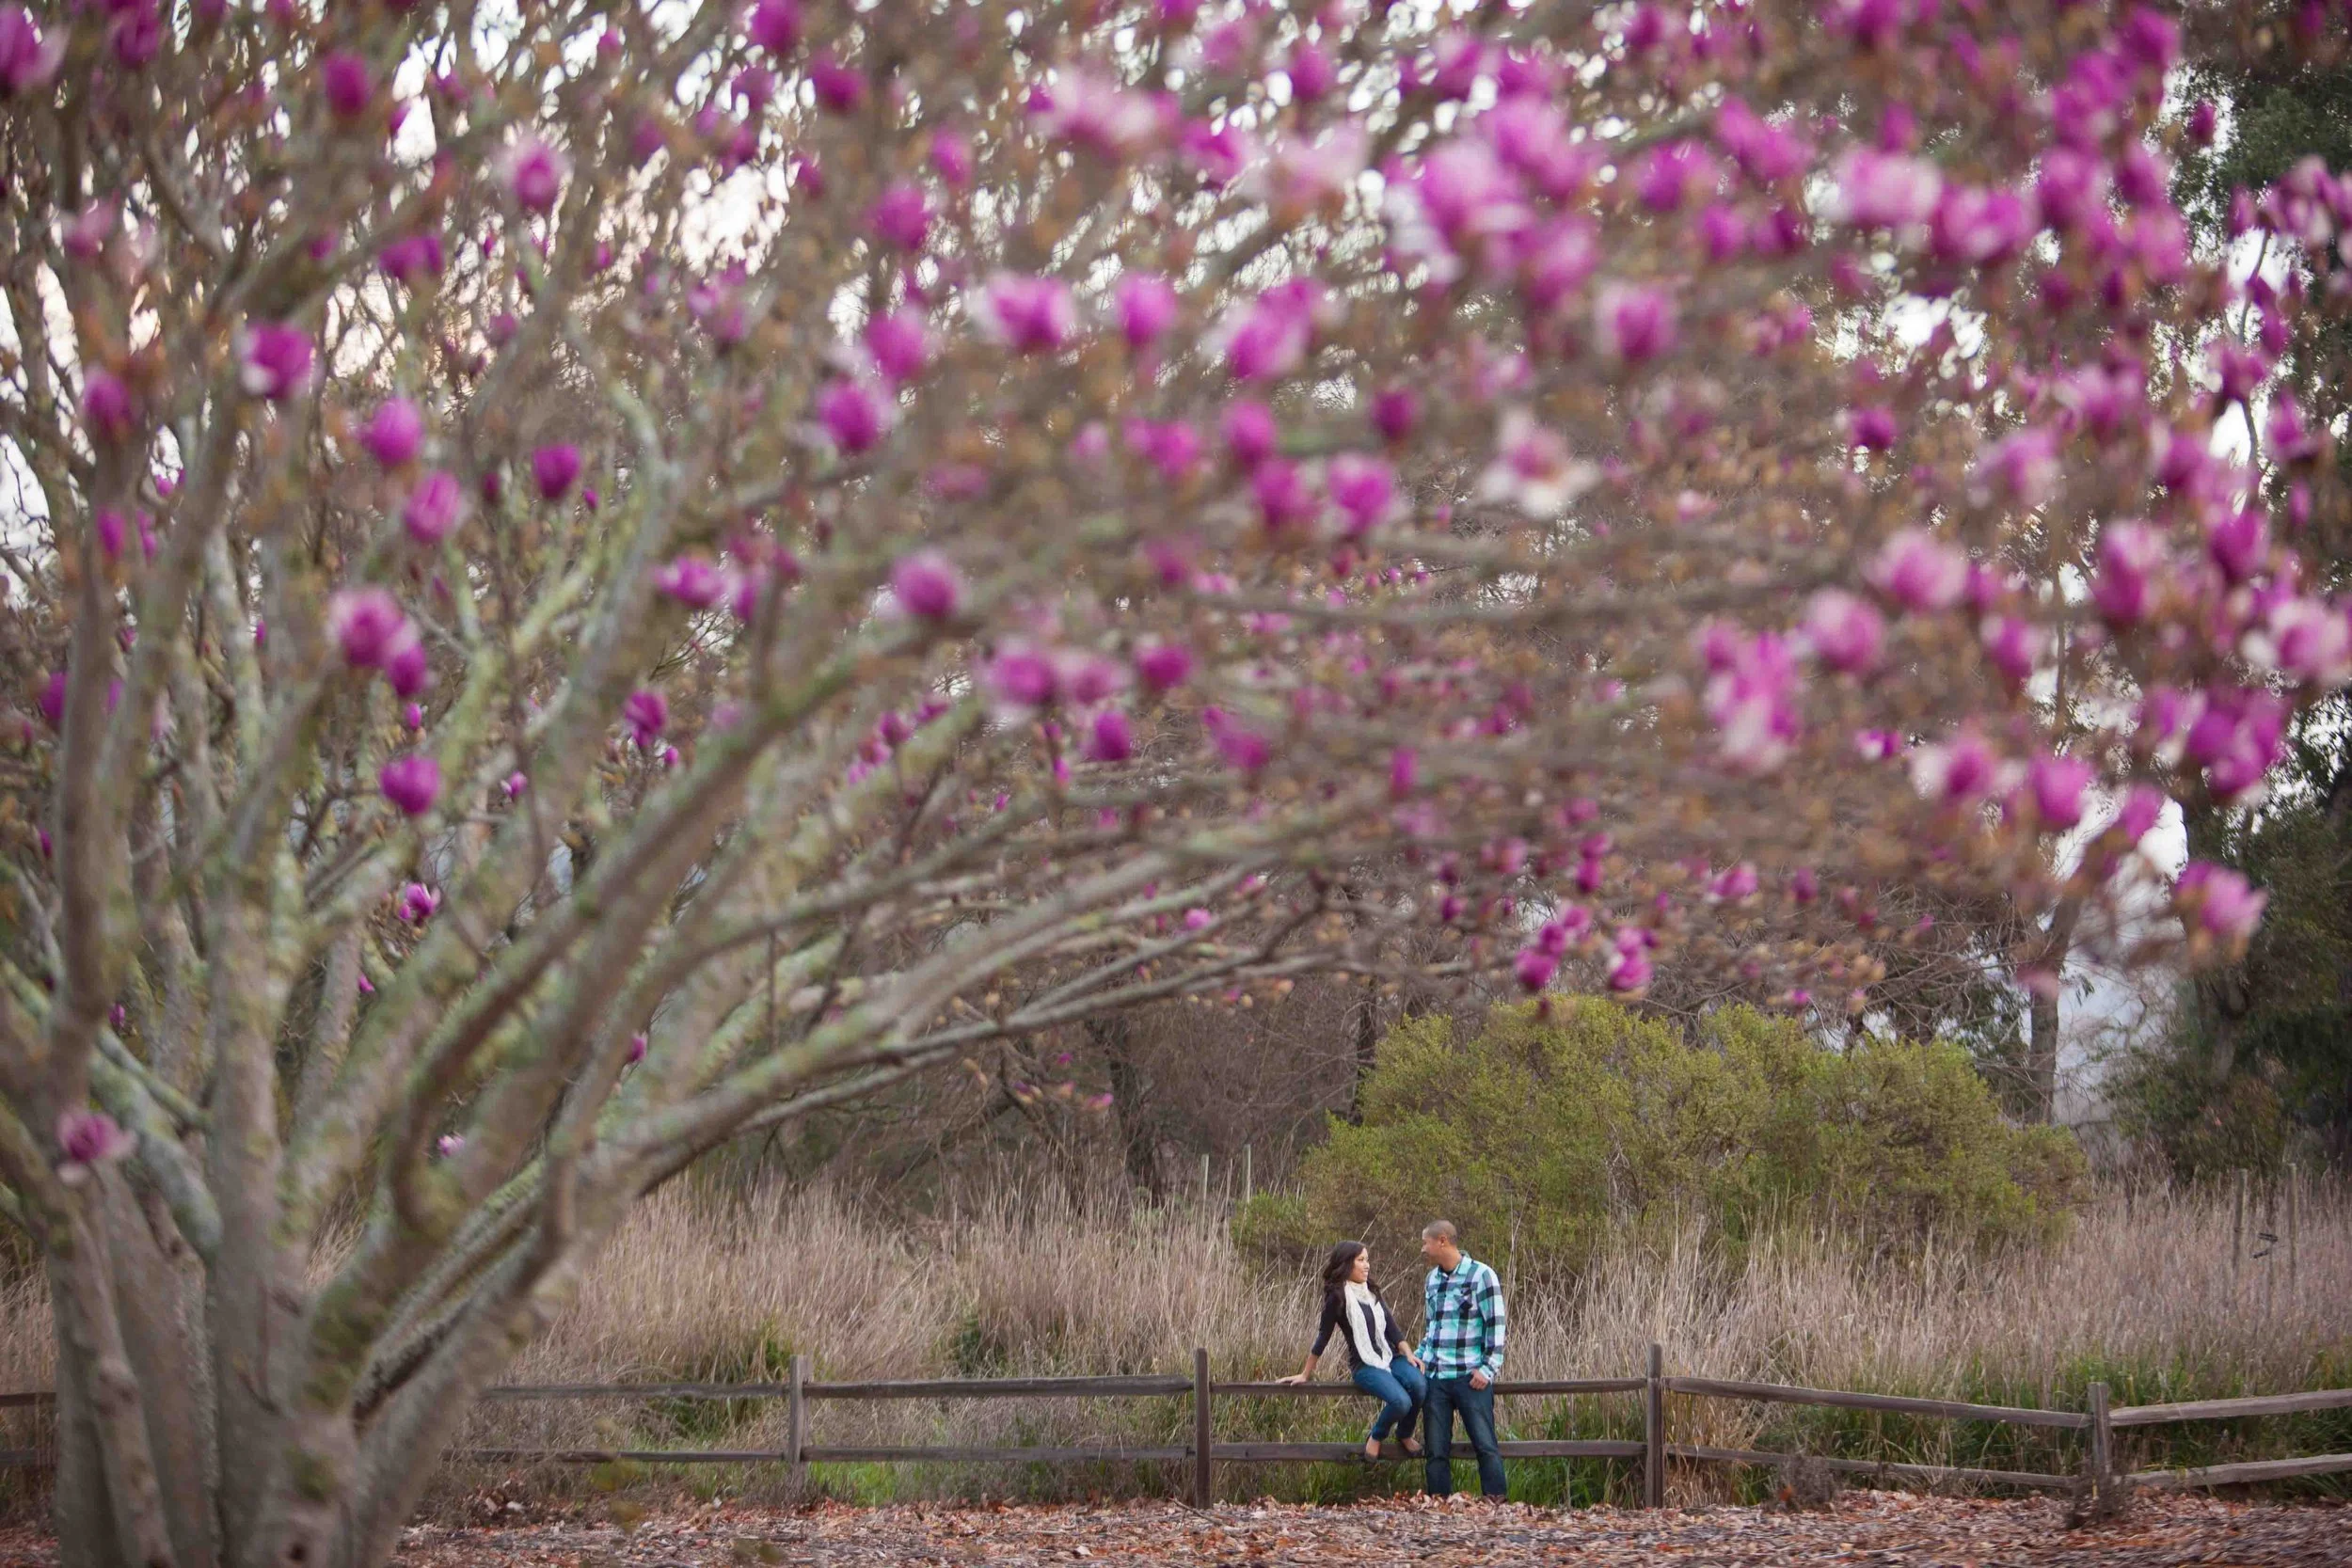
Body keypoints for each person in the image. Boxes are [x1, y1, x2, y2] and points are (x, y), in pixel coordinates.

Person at [1277, 1241, 1426, 1461]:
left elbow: (1392, 1328)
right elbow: (1322, 1337)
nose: (1367, 1265)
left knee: (1420, 1385)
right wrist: (1305, 1374)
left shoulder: (1372, 1292)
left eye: (1367, 1260)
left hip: (1389, 1356)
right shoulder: (1337, 1297)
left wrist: (1408, 1353)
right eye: (1361, 1260)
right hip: (1364, 1365)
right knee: (1401, 1401)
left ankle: (1404, 1433)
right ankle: (1376, 1436)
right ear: (1347, 1264)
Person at [1415, 1219, 1508, 1499]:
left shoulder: (1482, 1275)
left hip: (1470, 1378)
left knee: (1485, 1445)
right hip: (1436, 1377)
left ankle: (1496, 1504)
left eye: (1425, 1242)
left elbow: (1496, 1325)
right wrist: (1418, 1358)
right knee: (1435, 1450)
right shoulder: (1432, 1280)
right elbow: (1433, 1327)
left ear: (1442, 1240)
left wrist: (1488, 1368)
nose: (1423, 1249)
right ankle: (1439, 1505)